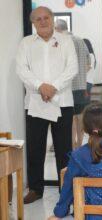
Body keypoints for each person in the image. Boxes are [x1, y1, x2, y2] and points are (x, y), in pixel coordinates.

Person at [16, 6, 78, 204]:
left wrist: (53, 87)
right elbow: (21, 69)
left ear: (52, 19)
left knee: (64, 148)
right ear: (33, 23)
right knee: (35, 148)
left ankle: (66, 190)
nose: (43, 21)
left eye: (46, 17)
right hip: (35, 102)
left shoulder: (66, 40)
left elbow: (72, 68)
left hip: (62, 102)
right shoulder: (26, 43)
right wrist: (40, 86)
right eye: (38, 19)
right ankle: (35, 189)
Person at [47, 102, 102, 220]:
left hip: (87, 214)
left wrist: (59, 212)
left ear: (85, 129)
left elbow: (68, 188)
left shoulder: (78, 155)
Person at [55, 19, 91, 149]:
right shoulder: (80, 40)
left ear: (58, 29)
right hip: (81, 85)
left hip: (67, 87)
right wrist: (82, 75)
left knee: (69, 119)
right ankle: (80, 145)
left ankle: (71, 146)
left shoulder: (62, 42)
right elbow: (89, 62)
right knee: (80, 117)